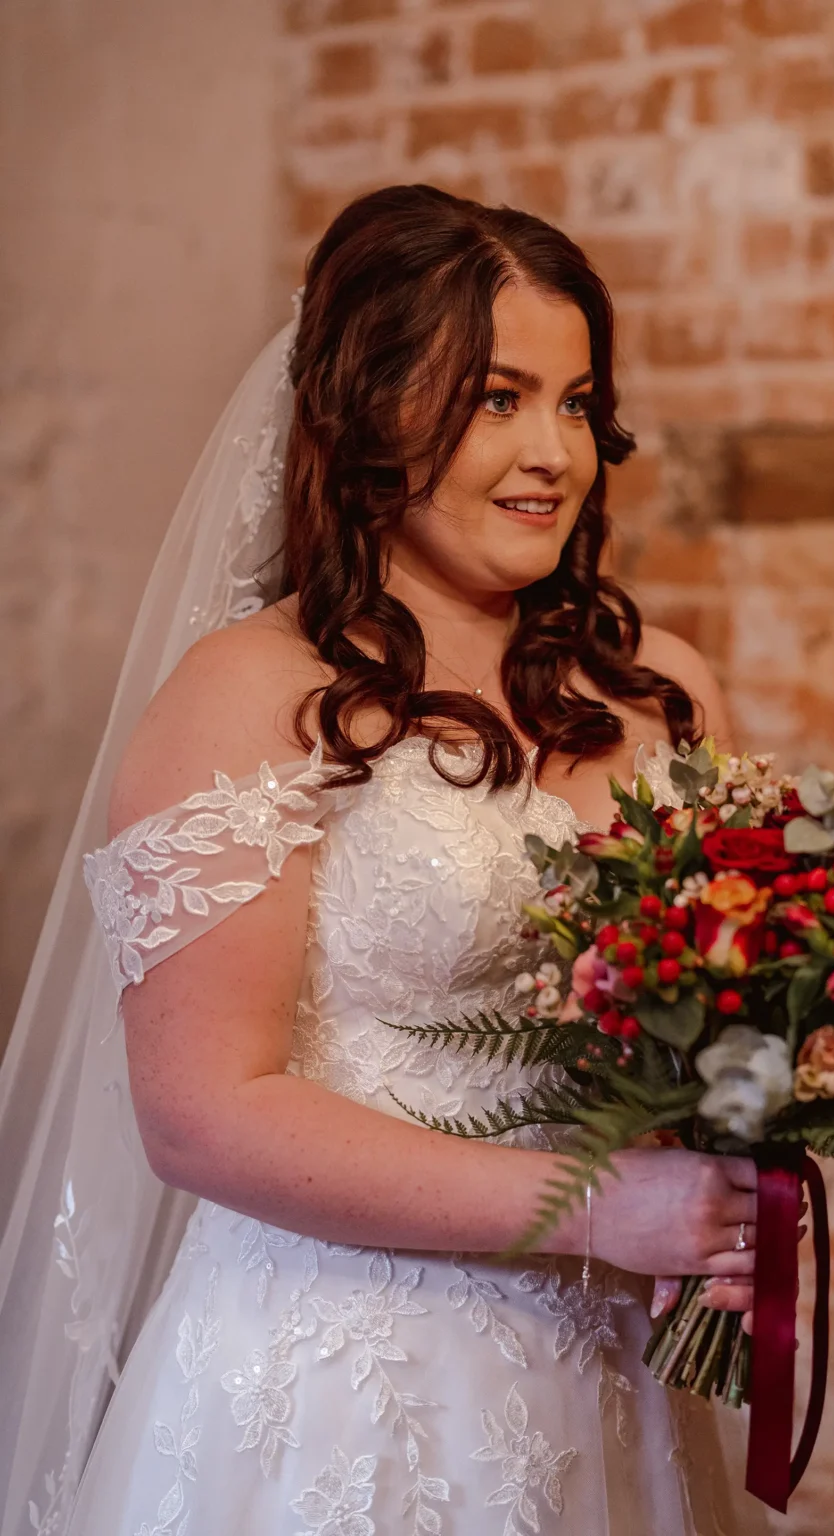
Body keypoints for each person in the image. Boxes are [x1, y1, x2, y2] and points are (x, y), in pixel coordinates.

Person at [0, 184, 772, 1534]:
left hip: (611, 1387)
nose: (552, 453)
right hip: (343, 1389)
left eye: (577, 403)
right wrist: (598, 1206)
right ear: (367, 412)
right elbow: (202, 1111)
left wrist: (752, 1158)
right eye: (494, 398)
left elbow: (723, 1031)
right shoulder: (251, 693)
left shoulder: (662, 693)